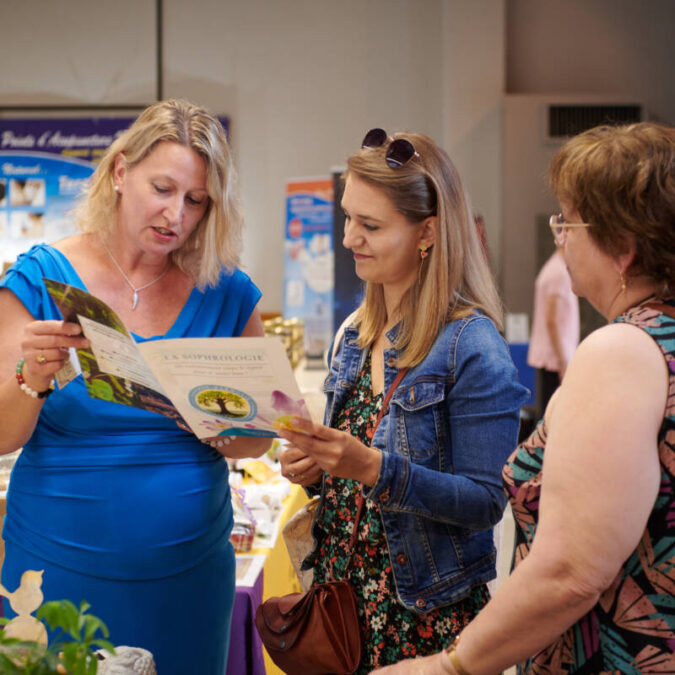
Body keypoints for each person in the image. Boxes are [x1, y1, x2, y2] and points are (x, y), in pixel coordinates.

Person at [374, 122, 675, 674]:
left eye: (569, 221)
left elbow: (571, 570)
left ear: (625, 249)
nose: (559, 236)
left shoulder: (623, 352)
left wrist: (450, 666)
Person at [0, 99, 271, 675]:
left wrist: (211, 423)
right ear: (120, 173)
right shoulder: (39, 280)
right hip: (54, 571)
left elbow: (258, 441)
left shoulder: (226, 293)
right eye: (163, 188)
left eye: (195, 200)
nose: (176, 214)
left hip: (188, 580)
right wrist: (33, 379)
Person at [277, 128, 529, 673]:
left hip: (423, 622)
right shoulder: (355, 334)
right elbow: (351, 474)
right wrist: (315, 468)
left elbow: (486, 502)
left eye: (370, 225)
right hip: (342, 614)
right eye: (348, 218)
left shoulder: (471, 345)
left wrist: (371, 468)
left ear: (428, 233)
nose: (349, 239)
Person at [527, 247, 579, 416]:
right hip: (555, 359)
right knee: (554, 415)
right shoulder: (560, 273)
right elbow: (552, 320)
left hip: (551, 357)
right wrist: (563, 362)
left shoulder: (553, 268)